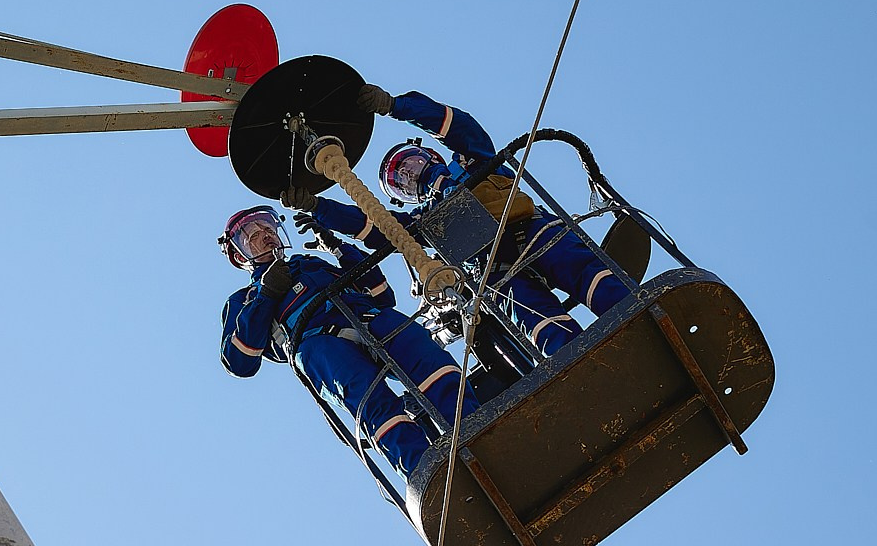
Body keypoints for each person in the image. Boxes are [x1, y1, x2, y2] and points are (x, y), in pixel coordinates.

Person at [292, 86, 631, 356]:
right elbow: (380, 229)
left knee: (590, 276)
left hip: (533, 232)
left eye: (408, 162)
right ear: (404, 194)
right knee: (538, 322)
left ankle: (635, 314)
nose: (410, 173)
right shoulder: (427, 219)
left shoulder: (474, 159)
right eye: (401, 179)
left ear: (429, 153)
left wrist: (395, 106)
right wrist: (320, 207)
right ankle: (578, 362)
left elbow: (456, 124)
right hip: (493, 271)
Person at [218, 205, 469, 479]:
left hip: (368, 319)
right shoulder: (244, 300)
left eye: (268, 228)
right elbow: (239, 361)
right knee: (371, 401)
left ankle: (472, 427)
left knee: (422, 352)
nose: (265, 235)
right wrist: (266, 295)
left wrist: (338, 248)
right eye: (252, 235)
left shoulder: (311, 265)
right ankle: (429, 472)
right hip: (319, 345)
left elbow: (382, 296)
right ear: (239, 256)